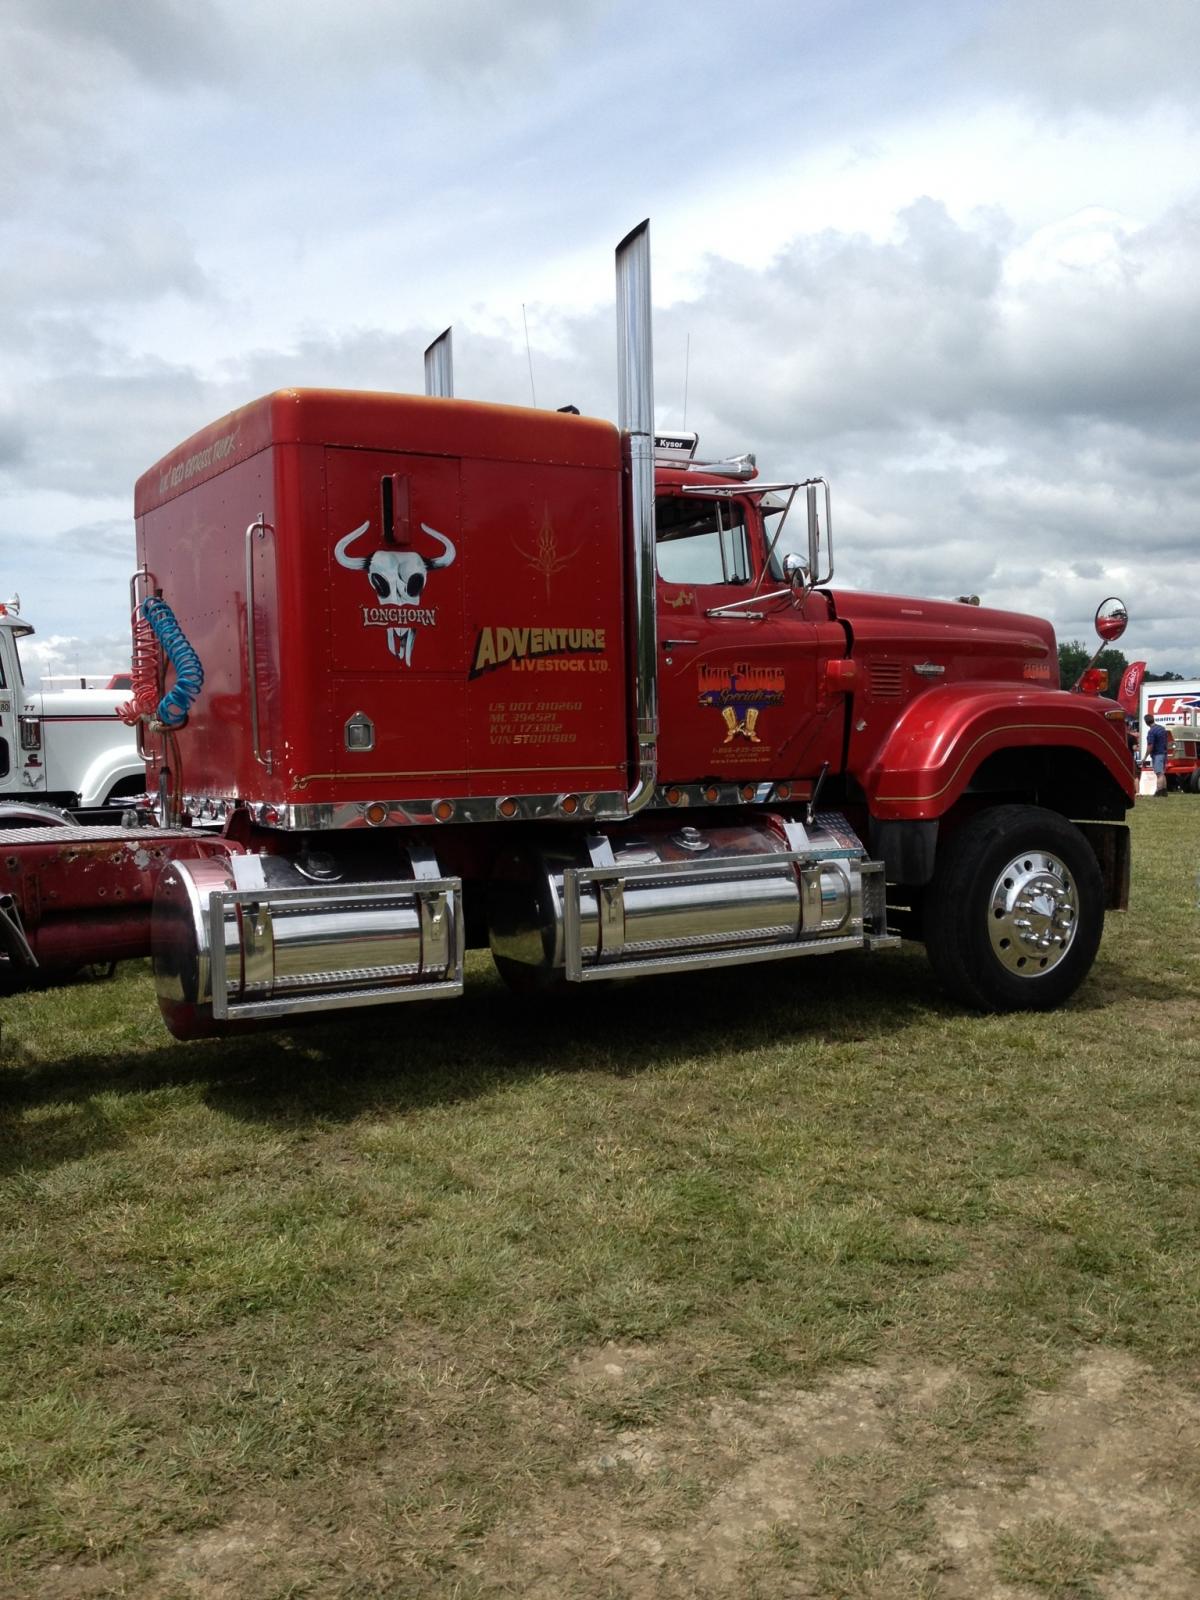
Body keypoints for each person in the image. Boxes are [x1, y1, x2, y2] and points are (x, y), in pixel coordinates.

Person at [1144, 713, 1170, 795]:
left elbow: (1150, 746)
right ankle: (1164, 791)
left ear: (1146, 722)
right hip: (1164, 753)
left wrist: (1145, 757)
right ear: (1153, 719)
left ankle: (1159, 791)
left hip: (1157, 754)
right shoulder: (1162, 728)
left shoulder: (1151, 731)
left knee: (1159, 774)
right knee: (1162, 773)